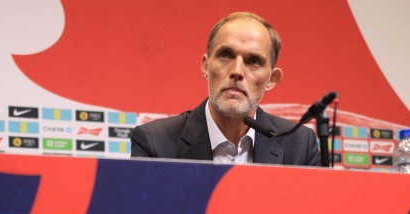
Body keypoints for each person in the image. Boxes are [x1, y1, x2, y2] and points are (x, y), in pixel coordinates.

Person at [130, 12, 320, 166]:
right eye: (225, 55)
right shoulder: (155, 143)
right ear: (206, 66)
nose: (237, 71)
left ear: (272, 79)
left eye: (253, 61)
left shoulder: (300, 145)